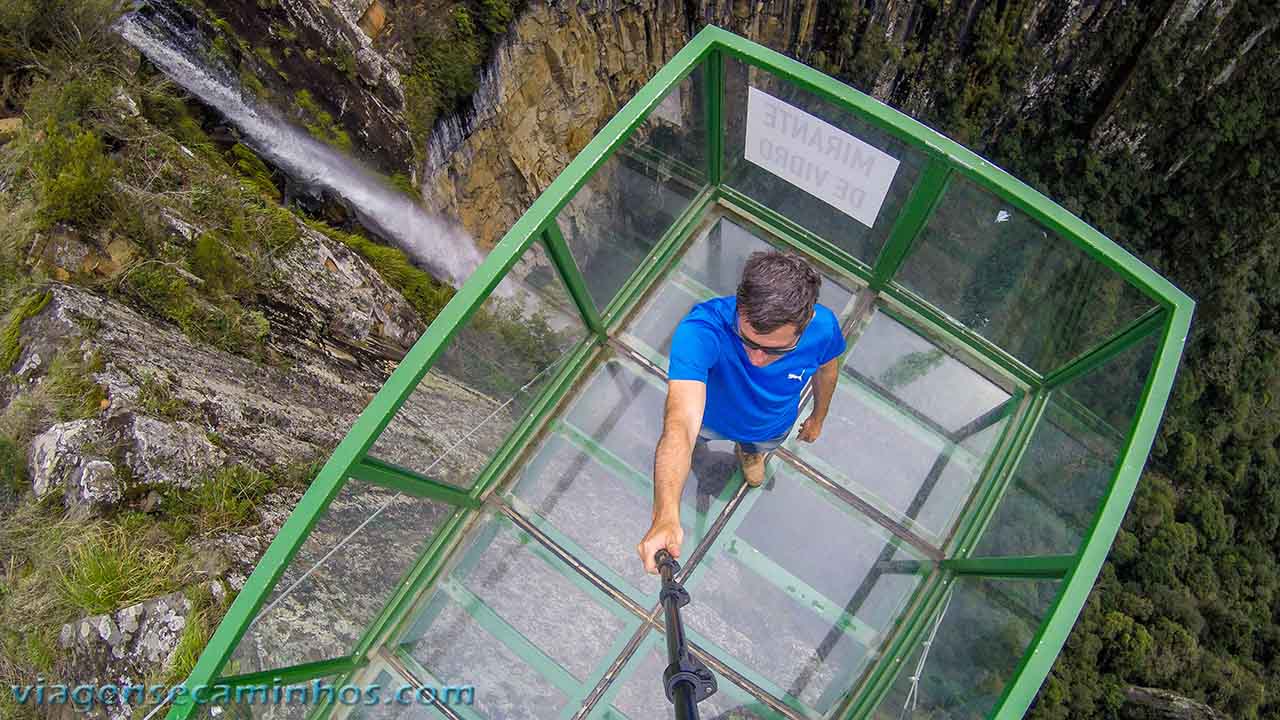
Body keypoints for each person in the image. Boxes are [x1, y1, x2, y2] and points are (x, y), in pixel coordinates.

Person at [636, 250, 845, 574]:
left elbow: (827, 372)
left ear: (806, 323)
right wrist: (665, 514)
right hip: (706, 420)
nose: (757, 359)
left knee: (754, 449)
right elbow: (680, 424)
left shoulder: (825, 327)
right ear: (738, 306)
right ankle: (702, 454)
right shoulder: (701, 329)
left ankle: (749, 454)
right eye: (747, 341)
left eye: (775, 349)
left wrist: (818, 417)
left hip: (768, 426)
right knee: (691, 441)